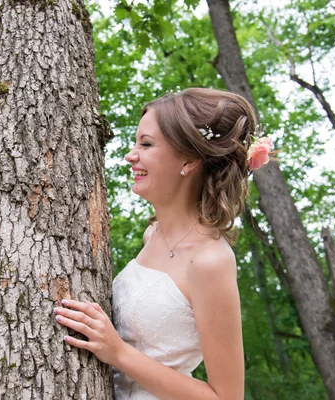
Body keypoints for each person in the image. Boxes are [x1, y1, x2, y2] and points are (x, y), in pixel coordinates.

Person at [54, 88, 273, 399]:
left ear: (189, 159)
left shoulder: (210, 260)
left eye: (146, 144)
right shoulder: (152, 234)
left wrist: (118, 352)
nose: (131, 155)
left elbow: (227, 397)